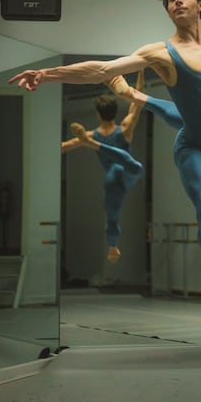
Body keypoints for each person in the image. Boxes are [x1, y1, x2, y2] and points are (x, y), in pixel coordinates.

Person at [9, 0, 201, 317]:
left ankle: (135, 94)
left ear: (200, 4)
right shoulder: (159, 53)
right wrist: (48, 73)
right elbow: (101, 70)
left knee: (171, 110)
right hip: (196, 148)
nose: (176, 1)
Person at [61, 72, 145, 263]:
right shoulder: (125, 127)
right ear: (114, 112)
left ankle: (113, 245)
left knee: (118, 171)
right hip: (123, 177)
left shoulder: (91, 134)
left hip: (118, 176)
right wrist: (141, 72)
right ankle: (113, 247)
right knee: (129, 171)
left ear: (98, 114)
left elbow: (65, 146)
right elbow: (138, 99)